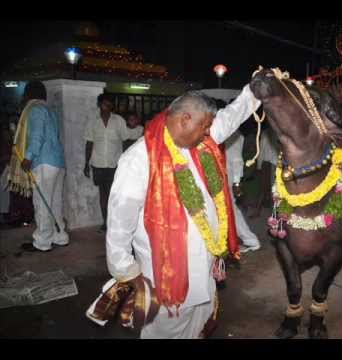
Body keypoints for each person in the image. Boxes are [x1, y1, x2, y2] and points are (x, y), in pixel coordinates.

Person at [102, 84, 261, 338]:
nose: (210, 133)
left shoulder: (199, 143)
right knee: (165, 329)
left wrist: (254, 92)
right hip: (165, 276)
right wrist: (127, 270)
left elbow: (230, 118)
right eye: (205, 126)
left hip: (205, 265)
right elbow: (120, 222)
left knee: (199, 323)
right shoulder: (139, 159)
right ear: (185, 119)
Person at [8, 81, 69, 252]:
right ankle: (60, 235)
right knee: (55, 202)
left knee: (42, 202)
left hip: (43, 162)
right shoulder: (50, 111)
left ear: (28, 94)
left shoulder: (34, 110)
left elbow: (37, 136)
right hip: (57, 162)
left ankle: (42, 242)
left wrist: (28, 157)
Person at [84, 93, 143, 232]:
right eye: (105, 104)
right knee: (103, 194)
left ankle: (115, 223)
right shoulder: (92, 121)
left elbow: (126, 137)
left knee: (115, 195)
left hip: (115, 164)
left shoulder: (118, 121)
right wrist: (86, 163)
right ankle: (105, 223)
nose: (107, 107)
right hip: (98, 163)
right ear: (99, 105)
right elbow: (89, 142)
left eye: (110, 105)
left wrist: (142, 130)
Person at [225, 129, 261, 253]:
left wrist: (236, 182)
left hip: (226, 176)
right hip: (220, 174)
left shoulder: (232, 133)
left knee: (231, 209)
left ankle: (250, 240)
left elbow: (236, 160)